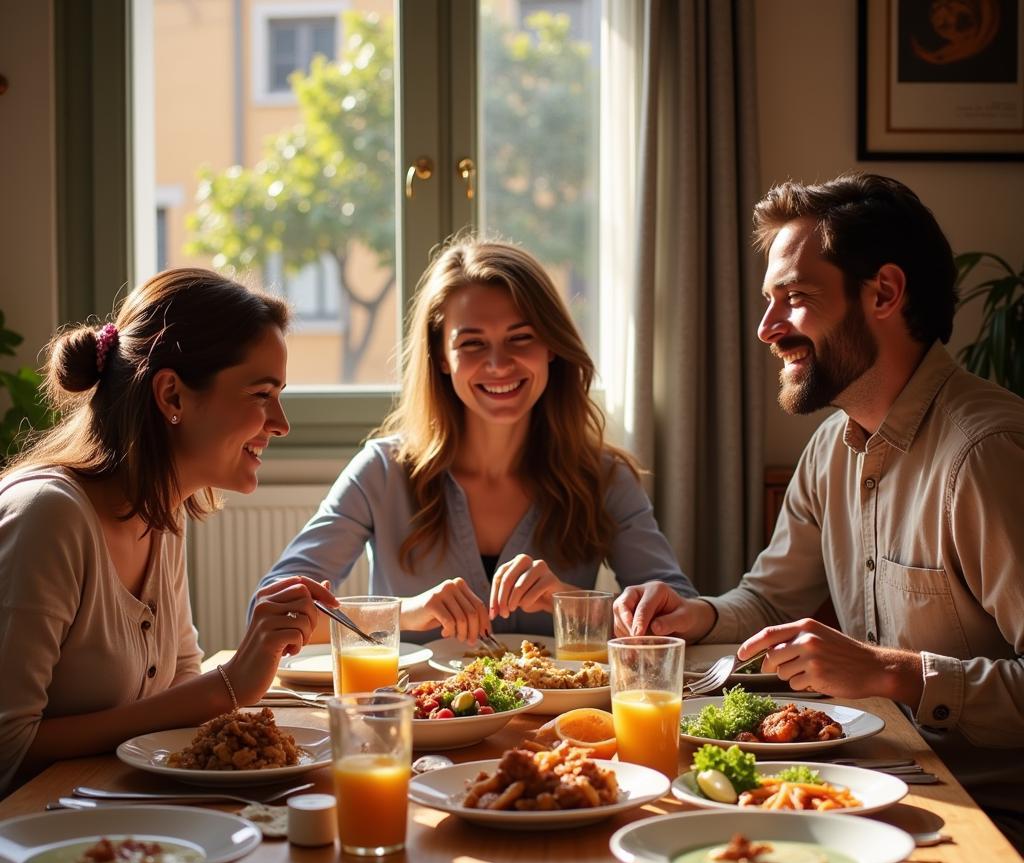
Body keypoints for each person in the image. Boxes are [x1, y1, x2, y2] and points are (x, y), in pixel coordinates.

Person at [615, 172, 1024, 845]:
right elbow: (773, 603)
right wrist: (703, 616)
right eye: (768, 302)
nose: (766, 328)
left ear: (885, 293)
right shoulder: (831, 446)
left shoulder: (986, 454)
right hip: (872, 788)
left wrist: (894, 672)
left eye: (795, 299)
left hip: (992, 823)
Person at [257, 238, 695, 643]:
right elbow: (271, 614)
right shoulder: (381, 471)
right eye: (471, 343)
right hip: (413, 724)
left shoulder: (606, 478)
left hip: (555, 727)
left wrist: (569, 602)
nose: (499, 364)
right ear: (441, 359)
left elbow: (677, 621)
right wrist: (404, 613)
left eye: (521, 338)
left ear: (552, 348)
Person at [0, 267, 333, 793]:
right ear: (172, 396)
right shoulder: (48, 517)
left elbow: (177, 684)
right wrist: (228, 686)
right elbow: (8, 749)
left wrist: (252, 665)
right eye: (261, 394)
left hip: (118, 815)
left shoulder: (163, 513)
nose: (281, 423)